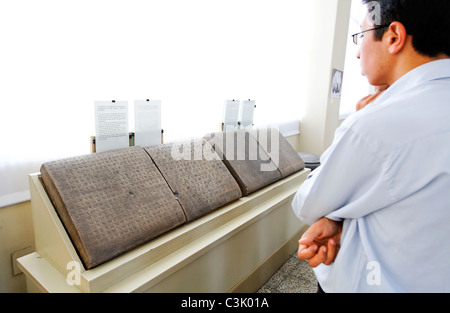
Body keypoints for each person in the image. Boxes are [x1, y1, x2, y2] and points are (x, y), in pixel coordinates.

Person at [292, 0, 450, 292]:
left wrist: (331, 213)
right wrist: (340, 219)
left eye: (360, 35)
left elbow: (307, 202)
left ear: (393, 37)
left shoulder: (376, 124)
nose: (356, 51)